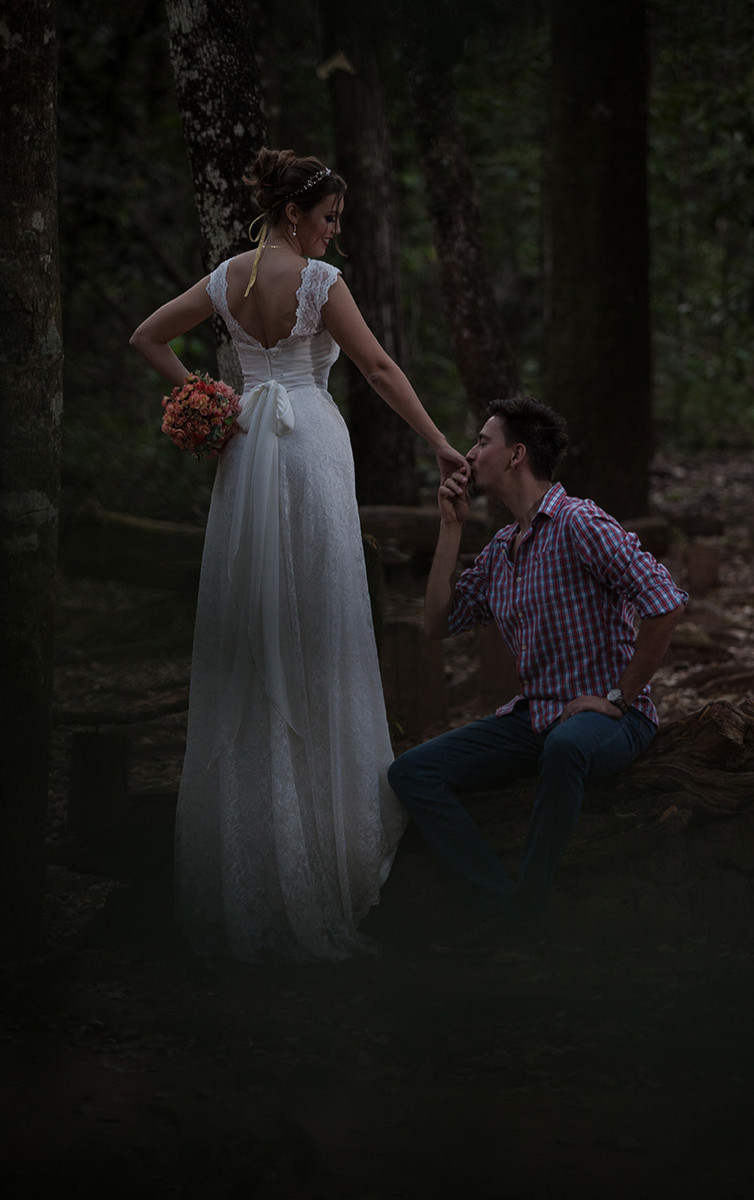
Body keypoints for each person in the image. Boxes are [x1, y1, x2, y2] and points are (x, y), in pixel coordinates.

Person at [130, 149, 467, 962]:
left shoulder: (227, 278)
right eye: (329, 218)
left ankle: (257, 844)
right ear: (295, 213)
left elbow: (147, 337)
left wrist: (206, 400)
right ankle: (328, 837)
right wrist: (440, 442)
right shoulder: (320, 283)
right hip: (308, 447)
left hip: (247, 447)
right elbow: (377, 368)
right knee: (317, 615)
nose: (333, 232)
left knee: (258, 619)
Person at [388, 396, 687, 956]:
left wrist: (619, 698)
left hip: (611, 720)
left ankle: (525, 921)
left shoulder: (579, 522)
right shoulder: (502, 549)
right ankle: (496, 906)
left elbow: (664, 602)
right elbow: (436, 623)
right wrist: (450, 528)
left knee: (567, 747)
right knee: (412, 772)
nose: (469, 453)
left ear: (516, 454)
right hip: (536, 716)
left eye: (482, 442)